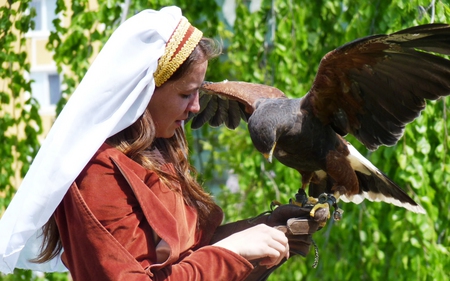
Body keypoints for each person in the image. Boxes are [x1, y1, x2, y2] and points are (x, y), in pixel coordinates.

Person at [0, 6, 320, 280]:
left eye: (198, 92)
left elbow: (191, 254)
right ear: (143, 90)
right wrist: (233, 251)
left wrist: (266, 230)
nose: (196, 106)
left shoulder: (159, 150)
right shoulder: (96, 173)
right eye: (185, 93)